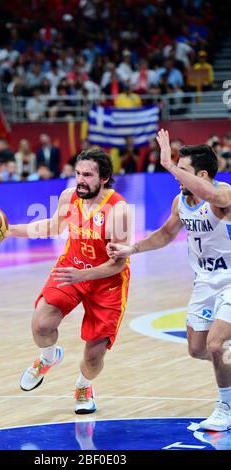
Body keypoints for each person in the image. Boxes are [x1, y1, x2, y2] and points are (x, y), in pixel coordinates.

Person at [107, 129, 231, 432]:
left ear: (201, 174)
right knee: (197, 348)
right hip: (205, 281)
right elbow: (165, 234)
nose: (177, 176)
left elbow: (212, 195)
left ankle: (226, 407)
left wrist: (168, 164)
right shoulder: (180, 202)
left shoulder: (224, 195)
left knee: (217, 344)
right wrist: (132, 248)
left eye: (183, 170)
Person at [7, 148, 131, 414]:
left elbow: (117, 263)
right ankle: (49, 358)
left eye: (87, 174)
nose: (80, 180)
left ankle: (84, 385)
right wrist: (9, 231)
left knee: (94, 355)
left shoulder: (118, 210)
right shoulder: (68, 197)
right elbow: (53, 227)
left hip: (107, 280)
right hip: (72, 266)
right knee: (41, 325)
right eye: (77, 173)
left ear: (105, 178)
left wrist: (83, 275)